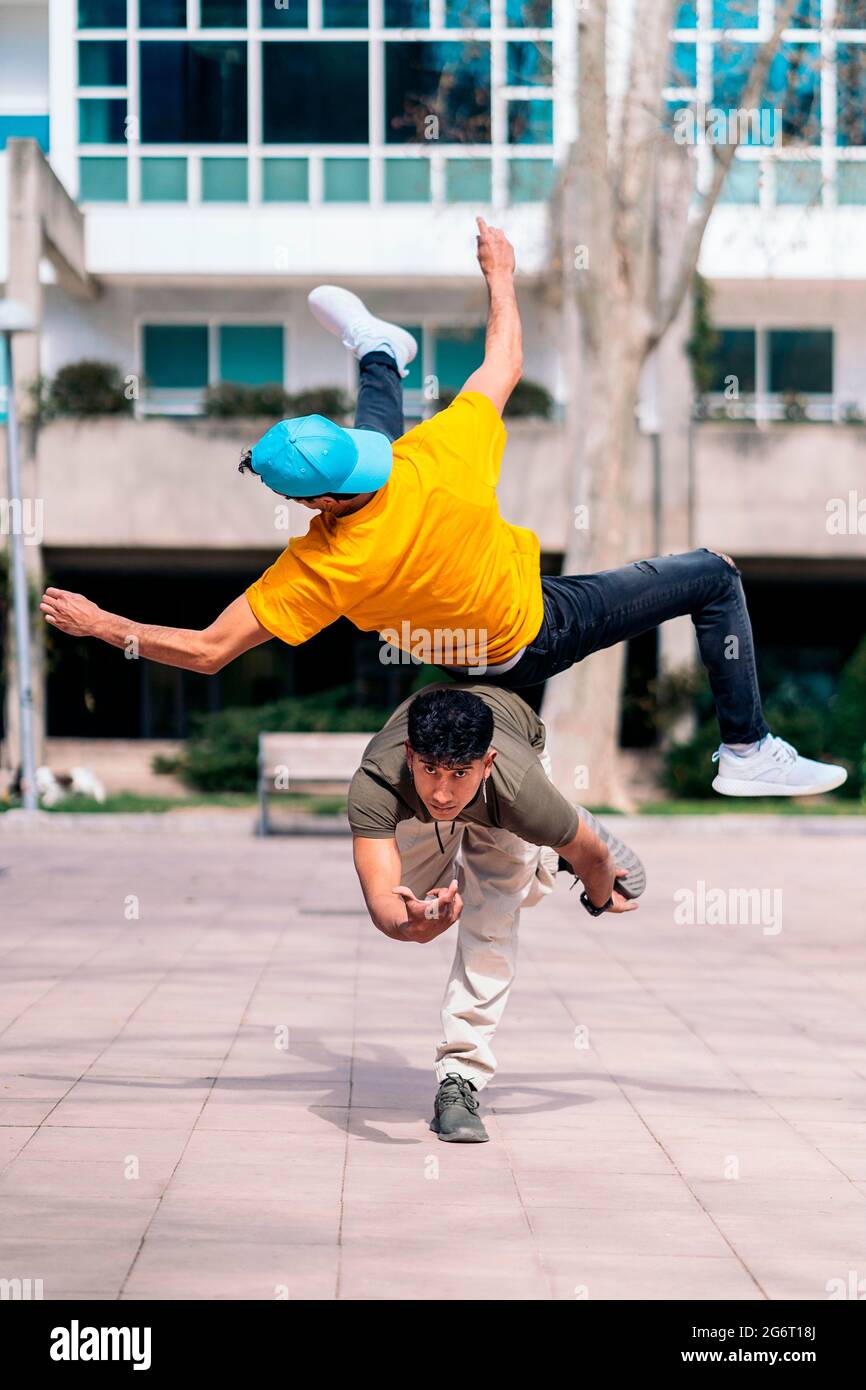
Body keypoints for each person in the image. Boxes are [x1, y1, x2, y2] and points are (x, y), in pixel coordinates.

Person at [40, 217, 846, 797]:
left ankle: (379, 348)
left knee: (380, 433)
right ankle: (747, 749)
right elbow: (506, 358)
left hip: (470, 652)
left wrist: (104, 624)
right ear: (325, 496)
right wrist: (500, 273)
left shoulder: (321, 561)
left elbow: (210, 650)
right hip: (532, 629)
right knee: (714, 574)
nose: (379, 455)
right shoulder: (438, 456)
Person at [349, 682, 646, 1143]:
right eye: (430, 770)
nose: (442, 792)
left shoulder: (522, 790)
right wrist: (411, 924)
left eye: (459, 774)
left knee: (495, 918)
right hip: (421, 806)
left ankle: (460, 1078)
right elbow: (383, 901)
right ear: (409, 755)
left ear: (486, 764)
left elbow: (599, 859)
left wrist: (599, 898)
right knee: (418, 894)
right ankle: (548, 850)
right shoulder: (377, 781)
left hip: (510, 793)